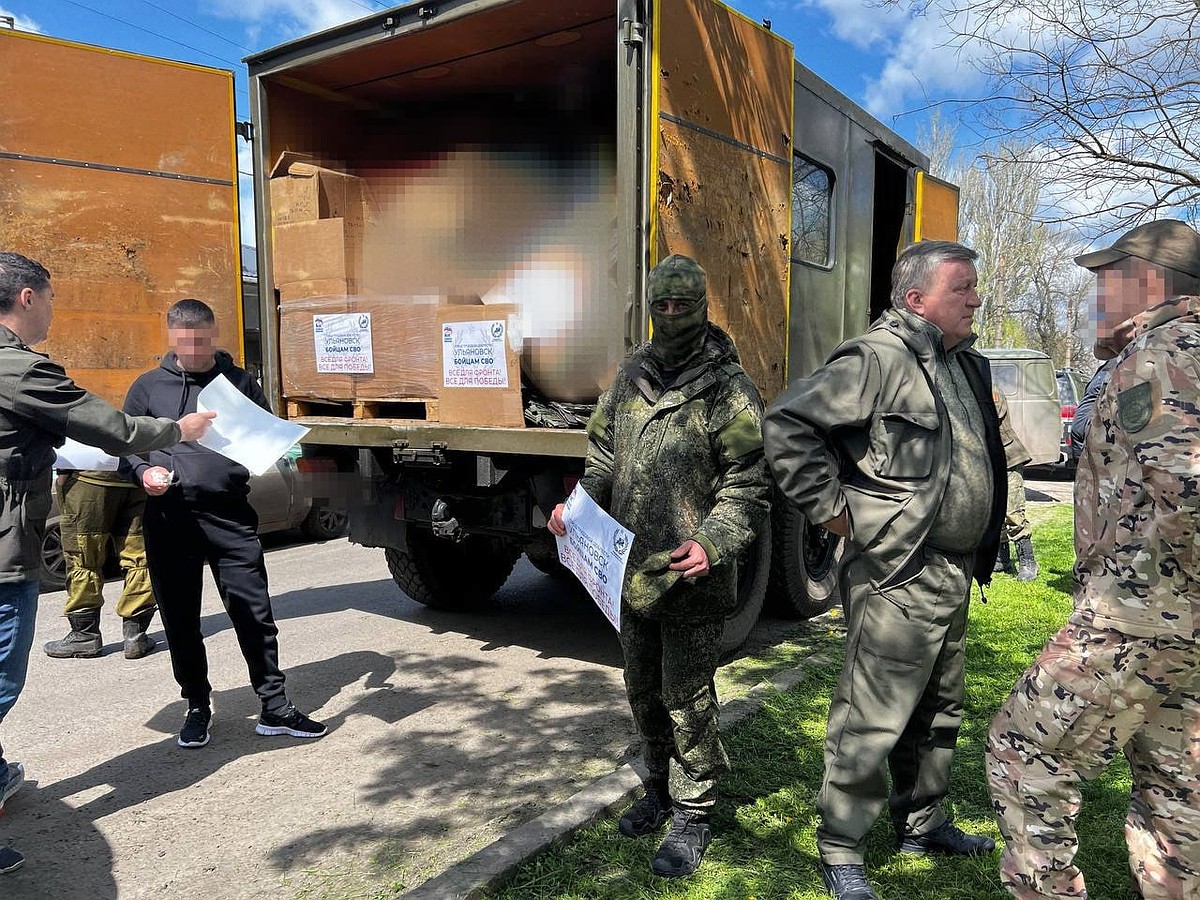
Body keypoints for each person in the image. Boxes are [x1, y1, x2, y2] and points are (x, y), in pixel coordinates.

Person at [763, 240, 1006, 900]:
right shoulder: (878, 358)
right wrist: (836, 512)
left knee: (939, 711)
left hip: (954, 572)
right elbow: (787, 425)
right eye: (963, 288)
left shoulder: (968, 366)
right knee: (871, 717)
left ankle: (922, 824)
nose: (976, 299)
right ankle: (841, 846)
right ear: (916, 297)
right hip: (900, 571)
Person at [986, 219, 1200, 899]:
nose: (1097, 295)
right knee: (1176, 786)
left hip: (1144, 612)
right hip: (1182, 626)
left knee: (1025, 750)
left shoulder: (1163, 351)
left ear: (1150, 279)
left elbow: (1189, 485)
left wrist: (1147, 595)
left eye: (1108, 277)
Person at [548, 254, 770, 878]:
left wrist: (712, 543)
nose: (671, 317)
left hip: (691, 575)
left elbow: (748, 486)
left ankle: (694, 812)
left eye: (683, 306)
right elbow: (600, 459)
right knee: (641, 687)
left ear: (702, 306)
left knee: (687, 693)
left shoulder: (729, 387)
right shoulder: (630, 377)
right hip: (629, 573)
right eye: (661, 307)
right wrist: (574, 509)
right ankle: (657, 786)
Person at [0, 252, 214, 873]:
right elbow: (108, 425)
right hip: (5, 553)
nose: (53, 311)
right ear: (28, 299)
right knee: (2, 682)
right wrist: (179, 430)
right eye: (52, 297)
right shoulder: (18, 368)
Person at [122, 299, 326, 749]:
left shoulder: (238, 382)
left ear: (214, 334)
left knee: (254, 613)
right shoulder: (147, 387)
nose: (194, 351)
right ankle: (196, 705)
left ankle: (274, 706)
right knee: (181, 621)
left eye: (202, 341)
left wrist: (264, 453)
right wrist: (143, 472)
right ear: (171, 336)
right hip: (170, 518)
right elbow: (128, 447)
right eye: (184, 342)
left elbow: (265, 432)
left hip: (230, 516)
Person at [43, 468, 159, 660]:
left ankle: (84, 635)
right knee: (139, 556)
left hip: (89, 477)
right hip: (136, 475)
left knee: (83, 557)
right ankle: (135, 636)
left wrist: (63, 472)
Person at [992, 390, 1039, 582]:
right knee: (995, 513)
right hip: (988, 461)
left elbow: (992, 415)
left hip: (1008, 458)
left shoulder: (992, 388)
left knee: (1013, 513)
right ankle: (1002, 559)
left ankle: (1028, 562)